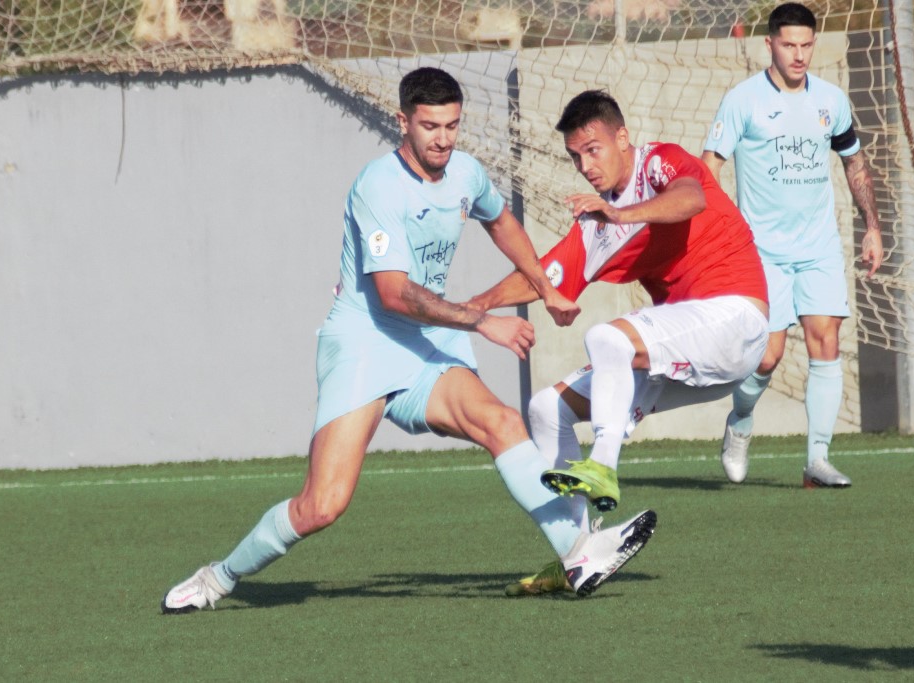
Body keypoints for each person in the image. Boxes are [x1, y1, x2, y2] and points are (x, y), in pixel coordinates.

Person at [161, 68, 657, 613]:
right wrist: (481, 321)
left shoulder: (466, 172)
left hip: (424, 342)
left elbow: (501, 222)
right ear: (403, 122)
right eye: (429, 126)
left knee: (501, 423)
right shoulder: (378, 187)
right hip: (365, 342)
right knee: (322, 505)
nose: (443, 138)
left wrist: (545, 287)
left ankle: (577, 554)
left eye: (452, 125)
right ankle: (218, 578)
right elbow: (394, 293)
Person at [467, 89, 770, 595]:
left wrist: (623, 215)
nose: (585, 166)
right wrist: (472, 307)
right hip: (688, 352)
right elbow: (544, 276)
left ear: (622, 138)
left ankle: (604, 466)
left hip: (736, 319)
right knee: (545, 408)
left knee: (608, 337)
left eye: (593, 150)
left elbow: (692, 197)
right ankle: (578, 554)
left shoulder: (659, 162)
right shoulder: (598, 224)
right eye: (575, 156)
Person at [701, 2, 884, 489]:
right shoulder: (743, 100)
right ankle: (740, 422)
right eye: (789, 45)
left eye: (806, 45)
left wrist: (872, 226)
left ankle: (817, 462)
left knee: (827, 340)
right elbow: (709, 169)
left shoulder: (831, 100)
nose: (799, 55)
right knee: (767, 356)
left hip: (818, 247)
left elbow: (854, 163)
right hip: (761, 252)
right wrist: (718, 233)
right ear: (770, 44)